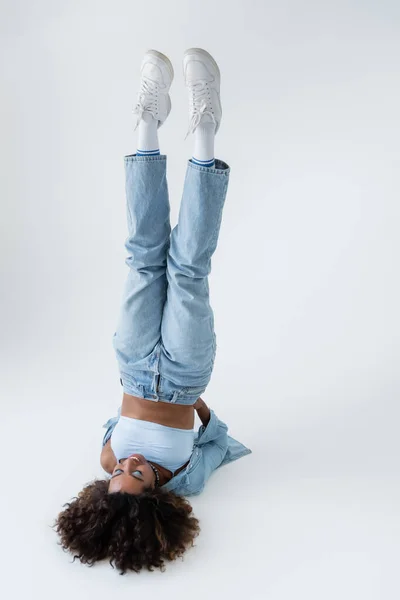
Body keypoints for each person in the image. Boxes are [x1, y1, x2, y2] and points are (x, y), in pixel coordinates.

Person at [55, 48, 252, 574]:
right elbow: (220, 439)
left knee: (144, 260)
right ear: (156, 497)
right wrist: (193, 402)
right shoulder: (187, 478)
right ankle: (205, 127)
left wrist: (146, 395)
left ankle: (148, 118)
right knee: (189, 268)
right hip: (186, 374)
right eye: (137, 474)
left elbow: (118, 421)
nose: (129, 461)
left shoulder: (105, 456)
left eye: (120, 469)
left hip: (134, 362)